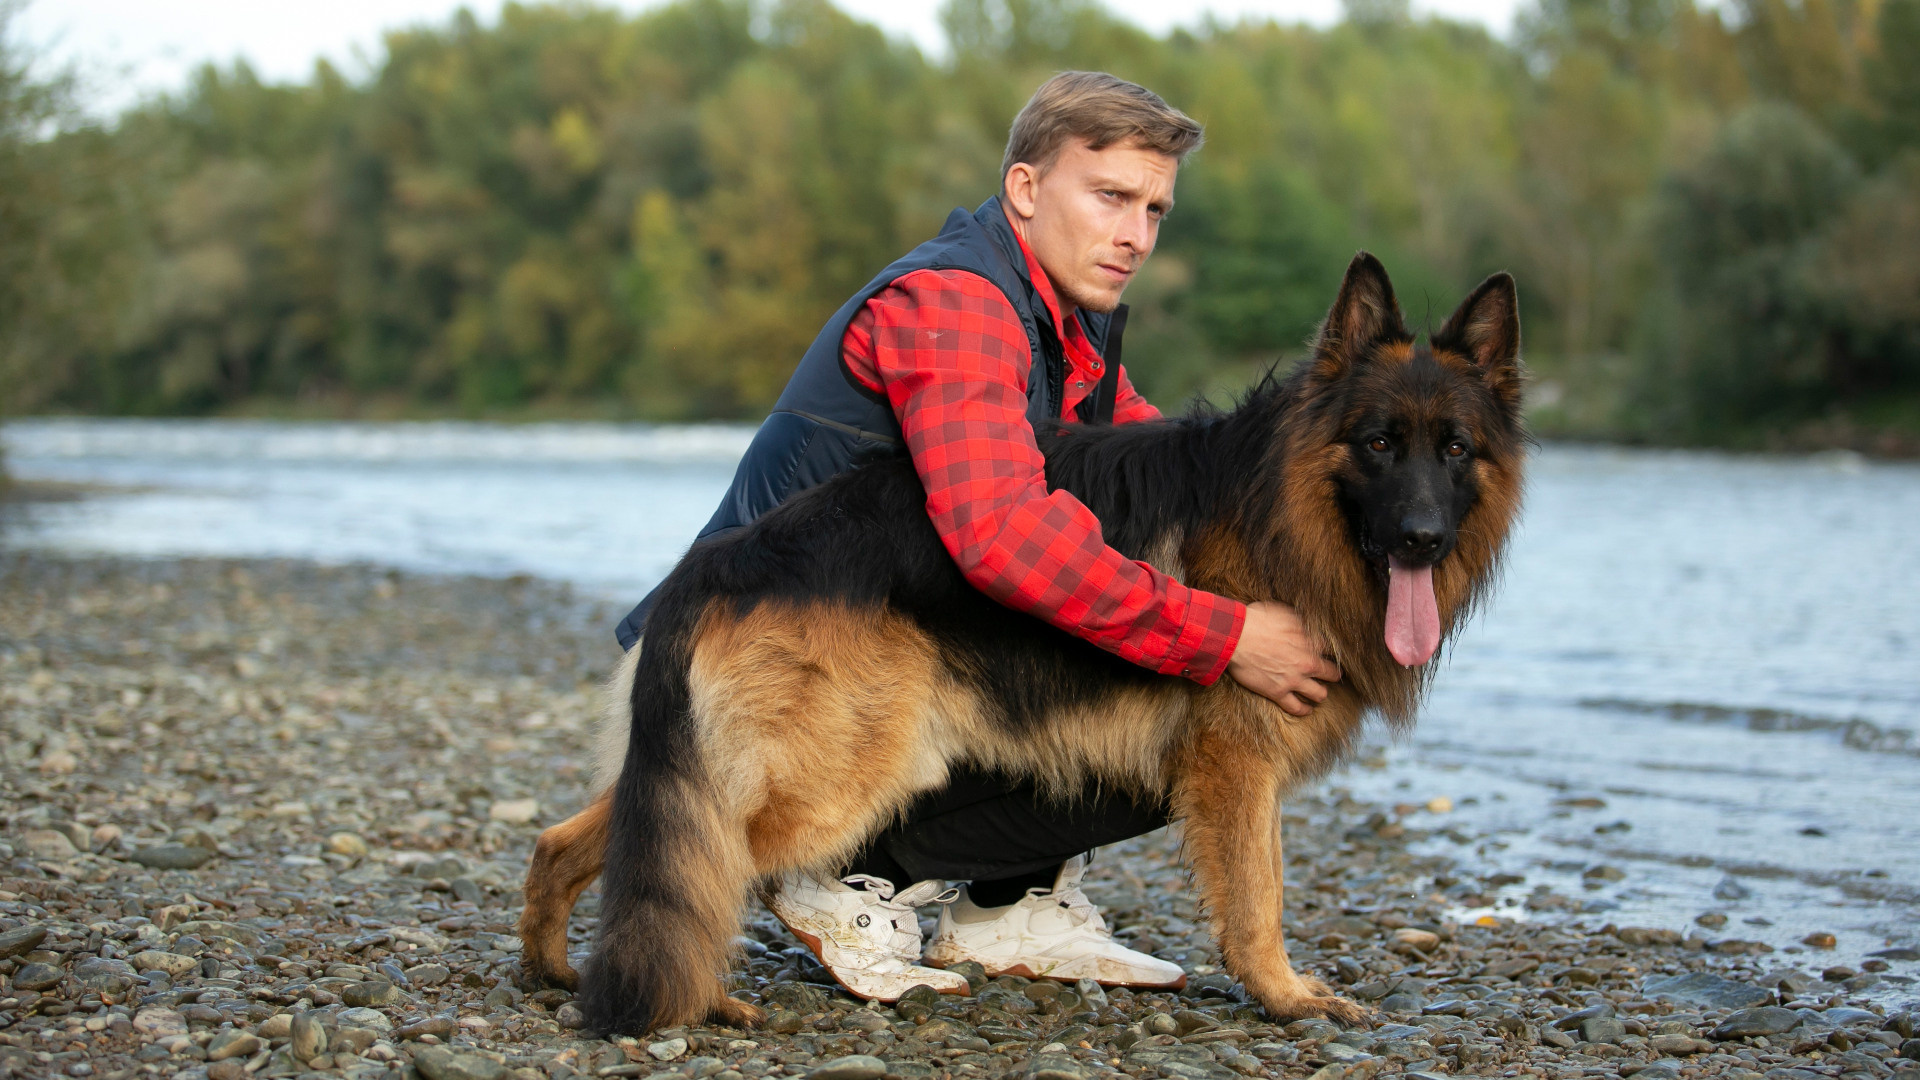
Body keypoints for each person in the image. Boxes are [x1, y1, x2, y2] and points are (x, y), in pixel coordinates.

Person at [612, 71, 1342, 999]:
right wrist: (1228, 635)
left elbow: (1169, 479)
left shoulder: (1074, 326)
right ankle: (844, 882)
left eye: (1156, 209)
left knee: (1140, 668)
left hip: (881, 627)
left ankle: (1014, 901)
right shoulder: (962, 304)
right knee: (1165, 669)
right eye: (1111, 196)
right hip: (768, 647)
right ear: (1026, 190)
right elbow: (998, 534)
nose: (1136, 235)